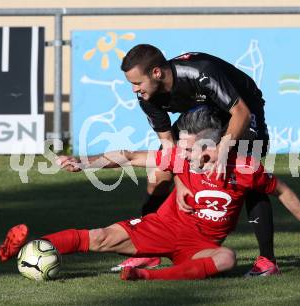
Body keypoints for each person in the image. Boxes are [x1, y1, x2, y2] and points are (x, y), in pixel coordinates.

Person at [0, 108, 300, 280]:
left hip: (198, 246)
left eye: (191, 147)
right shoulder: (180, 156)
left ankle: (146, 275)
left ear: (212, 147)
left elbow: (284, 191)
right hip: (161, 227)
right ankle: (31, 248)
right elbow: (130, 156)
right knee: (101, 236)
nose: (183, 152)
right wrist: (83, 162)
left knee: (226, 259)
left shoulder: (243, 170)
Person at [117, 44, 277, 275]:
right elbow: (170, 148)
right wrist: (181, 181)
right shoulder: (147, 97)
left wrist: (223, 149)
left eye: (137, 82)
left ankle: (267, 261)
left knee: (247, 176)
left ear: (157, 73)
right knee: (159, 173)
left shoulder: (201, 72)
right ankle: (149, 251)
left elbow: (240, 112)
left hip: (242, 107)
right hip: (202, 114)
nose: (134, 89)